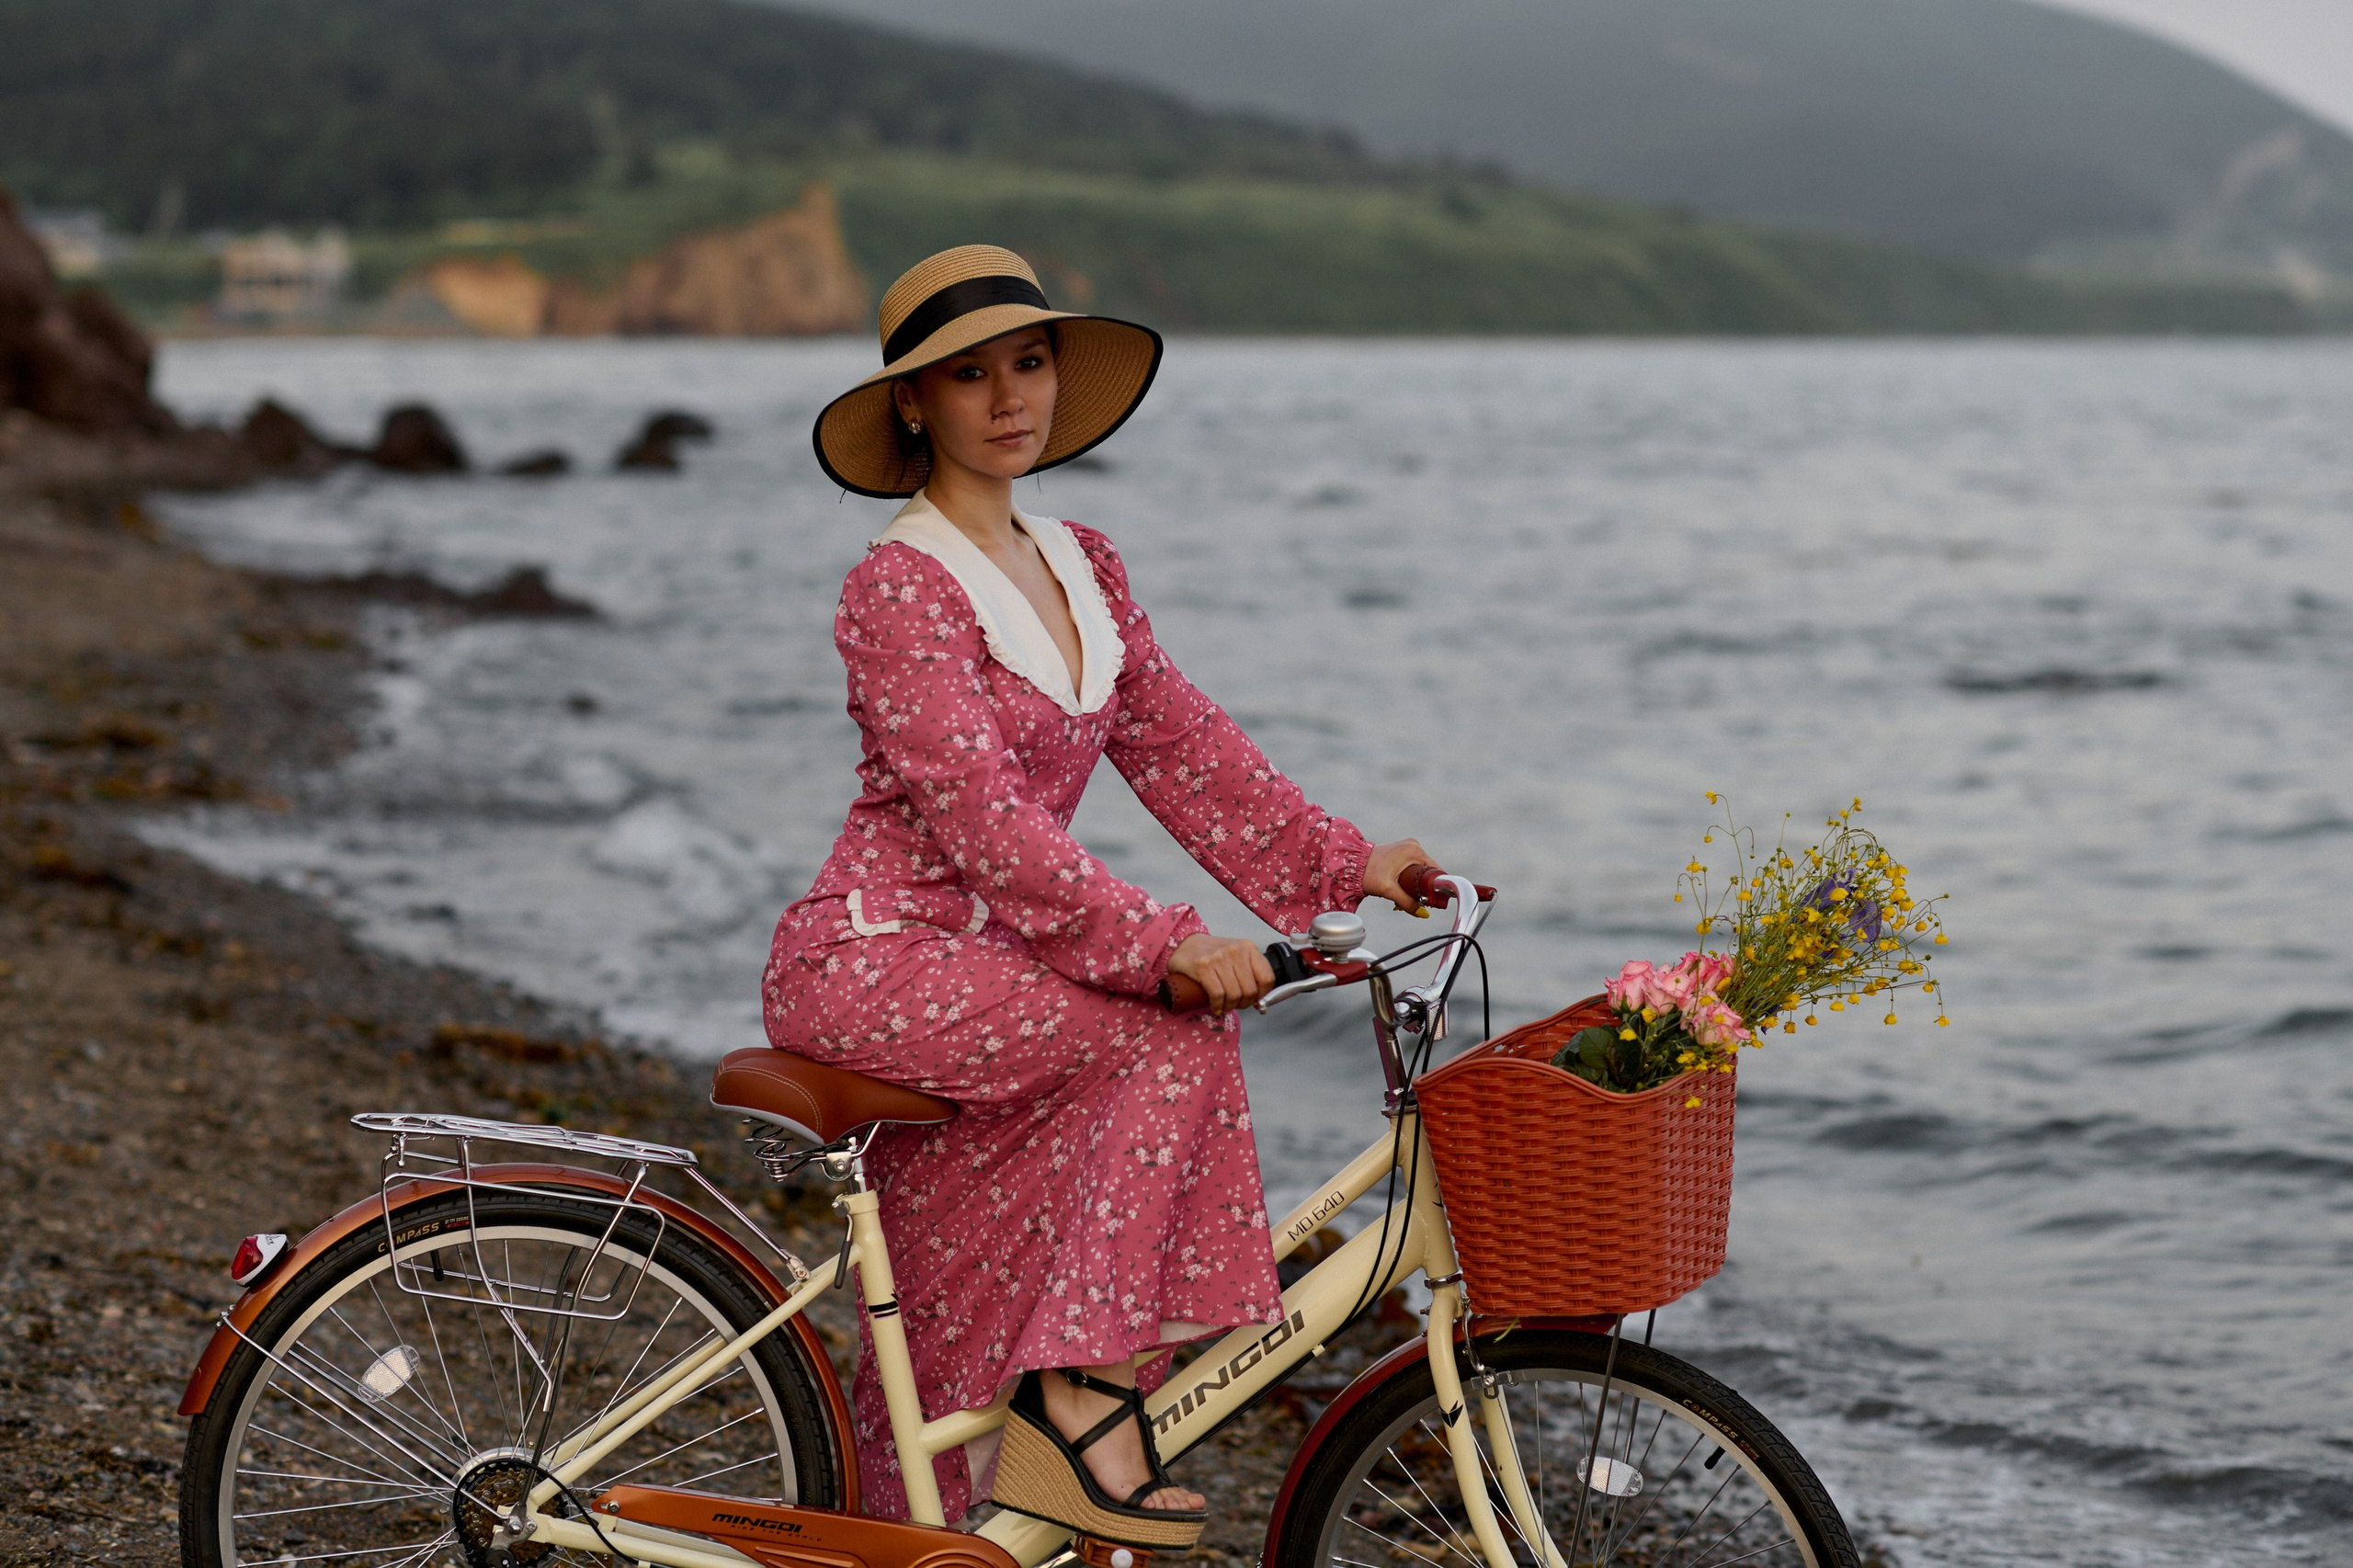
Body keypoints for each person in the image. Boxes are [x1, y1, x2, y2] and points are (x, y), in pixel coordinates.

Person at [766, 245, 1427, 1548]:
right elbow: (989, 831)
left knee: (965, 1299)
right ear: (915, 403)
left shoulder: (1083, 565)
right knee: (1160, 1034)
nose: (1011, 397)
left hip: (1003, 976)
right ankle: (1078, 1399)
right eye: (969, 375)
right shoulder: (897, 586)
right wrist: (1167, 945)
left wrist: (1347, 862)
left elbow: (1187, 749)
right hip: (878, 957)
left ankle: (993, 1476)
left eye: (1029, 361)